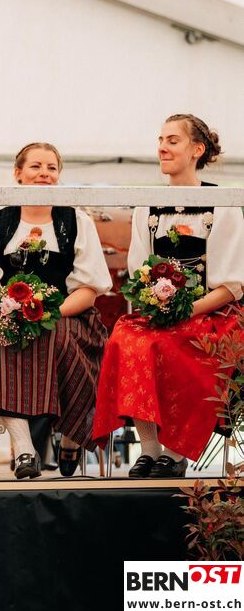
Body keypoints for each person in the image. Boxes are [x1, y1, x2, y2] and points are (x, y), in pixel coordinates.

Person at [93, 114, 244, 478]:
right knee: (126, 338)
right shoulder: (148, 205)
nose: (162, 147)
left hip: (213, 312)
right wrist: (157, 306)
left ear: (197, 149)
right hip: (163, 312)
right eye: (160, 140)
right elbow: (138, 273)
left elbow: (232, 285)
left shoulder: (222, 204)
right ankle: (149, 449)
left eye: (172, 141)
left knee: (182, 343)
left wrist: (187, 309)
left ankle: (175, 453)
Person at [0, 143, 112, 479]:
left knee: (59, 339)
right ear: (18, 173)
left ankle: (71, 436)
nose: (44, 174)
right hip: (8, 315)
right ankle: (24, 448)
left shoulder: (77, 221)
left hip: (68, 314)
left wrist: (48, 315)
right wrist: (2, 317)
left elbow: (88, 290)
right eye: (36, 167)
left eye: (51, 168)